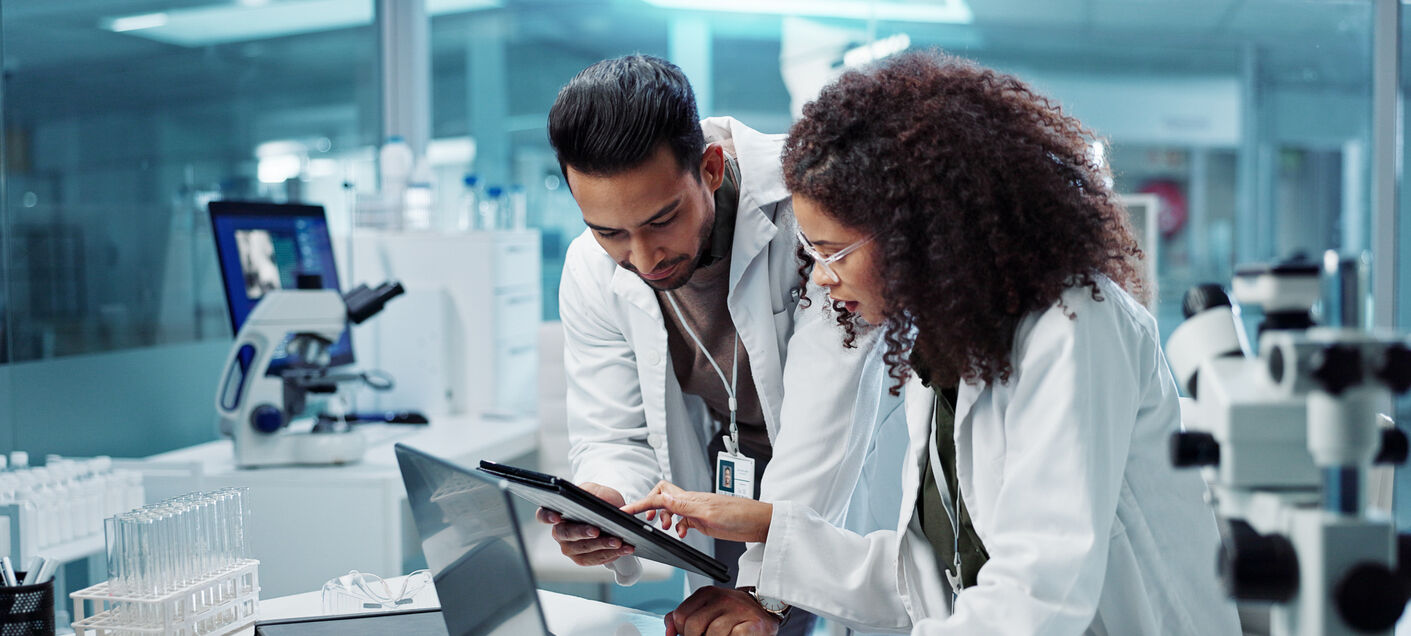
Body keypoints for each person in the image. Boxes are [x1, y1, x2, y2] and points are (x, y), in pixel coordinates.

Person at [624, 52, 1243, 636]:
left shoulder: (1075, 326)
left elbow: (1037, 597)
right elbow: (928, 578)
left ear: (918, 235)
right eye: (811, 252)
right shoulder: (945, 353)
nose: (821, 277)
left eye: (834, 252)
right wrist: (767, 527)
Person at [540, 54, 905, 635]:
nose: (643, 258)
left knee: (850, 603)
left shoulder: (812, 203)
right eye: (609, 231)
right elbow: (613, 432)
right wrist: (605, 505)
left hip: (848, 466)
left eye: (662, 220)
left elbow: (829, 419)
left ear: (710, 168)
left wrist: (765, 593)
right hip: (728, 475)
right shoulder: (590, 267)